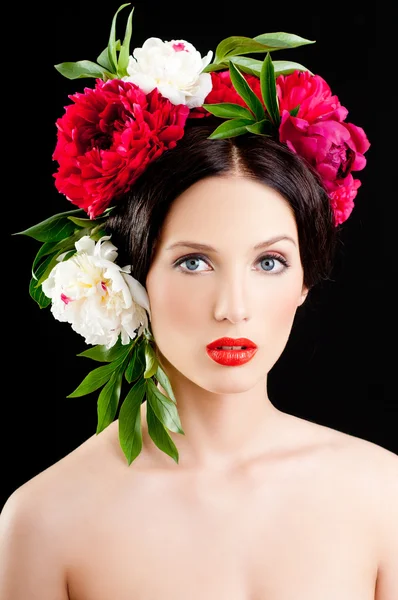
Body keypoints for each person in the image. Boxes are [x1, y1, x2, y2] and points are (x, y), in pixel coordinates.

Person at [1, 4, 396, 599]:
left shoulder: (382, 495)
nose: (232, 307)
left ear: (305, 280)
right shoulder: (47, 520)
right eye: (193, 262)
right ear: (134, 275)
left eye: (269, 262)